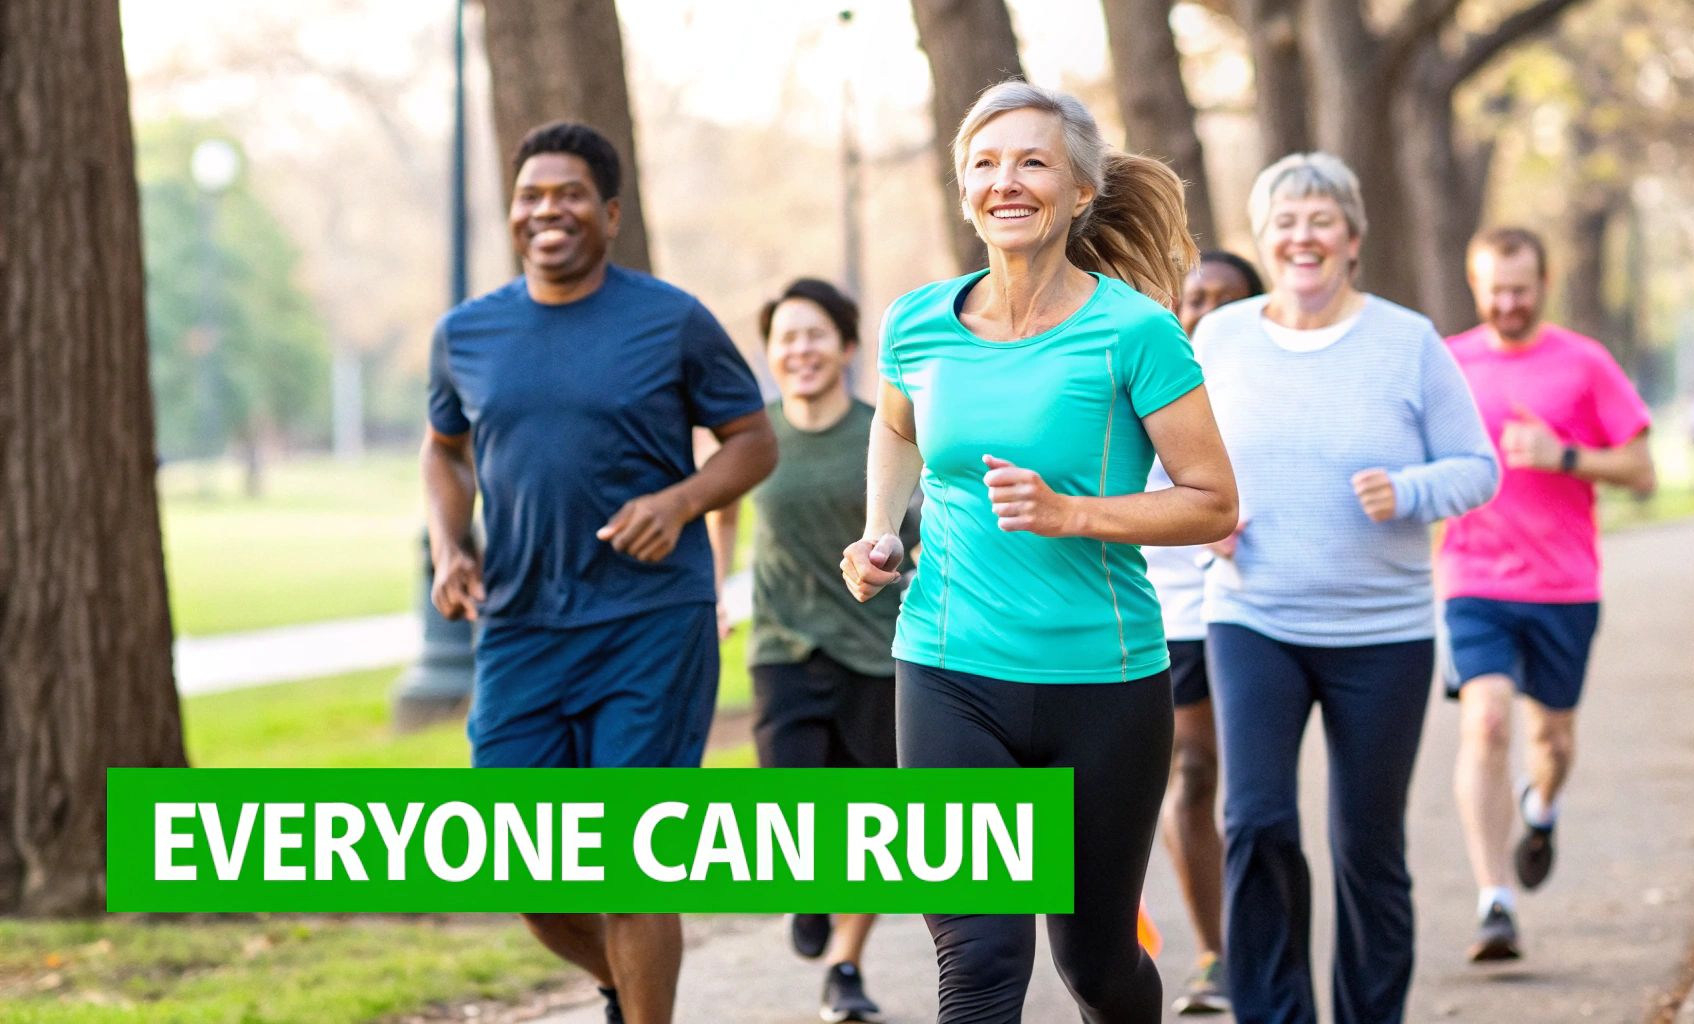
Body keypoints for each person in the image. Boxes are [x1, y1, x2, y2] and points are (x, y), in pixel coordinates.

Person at [841, 81, 1238, 1023]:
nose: (1006, 181)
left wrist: (1073, 514)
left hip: (1103, 681)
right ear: (964, 190)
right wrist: (881, 527)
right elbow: (896, 428)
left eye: (1032, 162)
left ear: (1080, 189)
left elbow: (1214, 502)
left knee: (1096, 964)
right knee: (980, 953)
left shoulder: (1135, 332)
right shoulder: (917, 322)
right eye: (985, 163)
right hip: (948, 672)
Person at [422, 120, 777, 1024]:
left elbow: (752, 440)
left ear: (611, 214)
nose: (549, 211)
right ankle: (624, 983)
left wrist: (680, 502)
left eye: (571, 194)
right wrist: (449, 545)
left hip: (649, 622)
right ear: (512, 212)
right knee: (519, 864)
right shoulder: (466, 333)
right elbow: (444, 450)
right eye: (532, 196)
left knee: (629, 864)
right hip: (521, 625)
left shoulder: (670, 320)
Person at [1196, 152, 1498, 1024]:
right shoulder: (1220, 339)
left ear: (1353, 238)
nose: (1304, 238)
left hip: (1383, 634)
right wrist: (1204, 521)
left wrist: (1408, 492)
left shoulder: (1407, 342)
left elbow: (1478, 468)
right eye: (1285, 223)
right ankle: (1273, 1013)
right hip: (1254, 618)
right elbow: (1170, 463)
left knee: (1366, 844)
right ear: (1264, 240)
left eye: (1321, 221)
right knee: (1256, 821)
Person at [1440, 226, 1655, 963]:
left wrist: (1563, 455)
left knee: (1552, 742)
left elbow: (1643, 471)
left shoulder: (1584, 363)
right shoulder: (1449, 362)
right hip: (1473, 580)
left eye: (1521, 290)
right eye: (1495, 290)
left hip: (1565, 585)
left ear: (1545, 283)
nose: (1508, 304)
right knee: (1487, 723)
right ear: (1475, 286)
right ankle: (1494, 901)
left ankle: (1542, 804)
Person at [734, 277, 916, 1023]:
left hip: (876, 648)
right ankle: (805, 889)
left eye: (815, 335)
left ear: (845, 348)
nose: (800, 350)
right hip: (783, 645)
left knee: (871, 820)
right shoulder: (755, 436)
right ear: (771, 354)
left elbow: (918, 530)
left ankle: (845, 964)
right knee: (792, 803)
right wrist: (715, 586)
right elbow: (722, 507)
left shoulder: (884, 435)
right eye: (786, 338)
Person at [1142, 250, 1263, 1016]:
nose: (1206, 312)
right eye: (1194, 298)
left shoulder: (1266, 390)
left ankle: (1260, 936)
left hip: (1254, 606)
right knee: (1189, 773)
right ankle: (1216, 951)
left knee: (1250, 790)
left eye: (1226, 299)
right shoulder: (1143, 381)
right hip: (1170, 610)